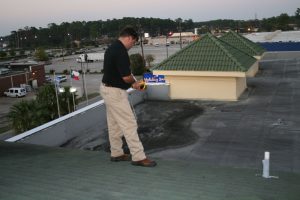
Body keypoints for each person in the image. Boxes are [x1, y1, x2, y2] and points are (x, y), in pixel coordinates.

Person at [100, 26, 157, 167]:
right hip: (115, 93)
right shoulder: (121, 51)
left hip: (107, 89)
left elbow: (120, 73)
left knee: (114, 124)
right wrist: (136, 83)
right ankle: (138, 157)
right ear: (129, 38)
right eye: (134, 42)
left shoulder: (112, 47)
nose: (132, 46)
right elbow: (126, 77)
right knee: (129, 123)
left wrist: (133, 83)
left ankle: (116, 153)